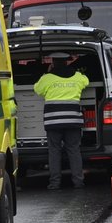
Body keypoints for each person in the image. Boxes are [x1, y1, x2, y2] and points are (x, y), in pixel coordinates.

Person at [33, 52, 90, 190]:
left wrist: (46, 74)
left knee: (54, 151)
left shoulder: (47, 78)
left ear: (53, 62)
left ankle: (55, 183)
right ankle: (78, 182)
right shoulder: (78, 77)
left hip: (53, 122)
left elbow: (37, 90)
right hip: (73, 121)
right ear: (67, 62)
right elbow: (86, 82)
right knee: (74, 150)